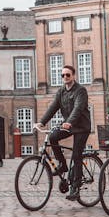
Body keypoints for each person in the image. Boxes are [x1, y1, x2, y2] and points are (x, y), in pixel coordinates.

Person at [35, 65, 91, 201]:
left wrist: (69, 121)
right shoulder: (61, 92)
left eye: (68, 75)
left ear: (73, 76)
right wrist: (41, 122)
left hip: (82, 127)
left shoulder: (80, 91)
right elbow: (53, 107)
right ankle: (62, 165)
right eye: (63, 75)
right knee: (53, 137)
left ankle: (75, 189)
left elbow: (78, 109)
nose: (65, 77)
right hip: (69, 126)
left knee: (76, 156)